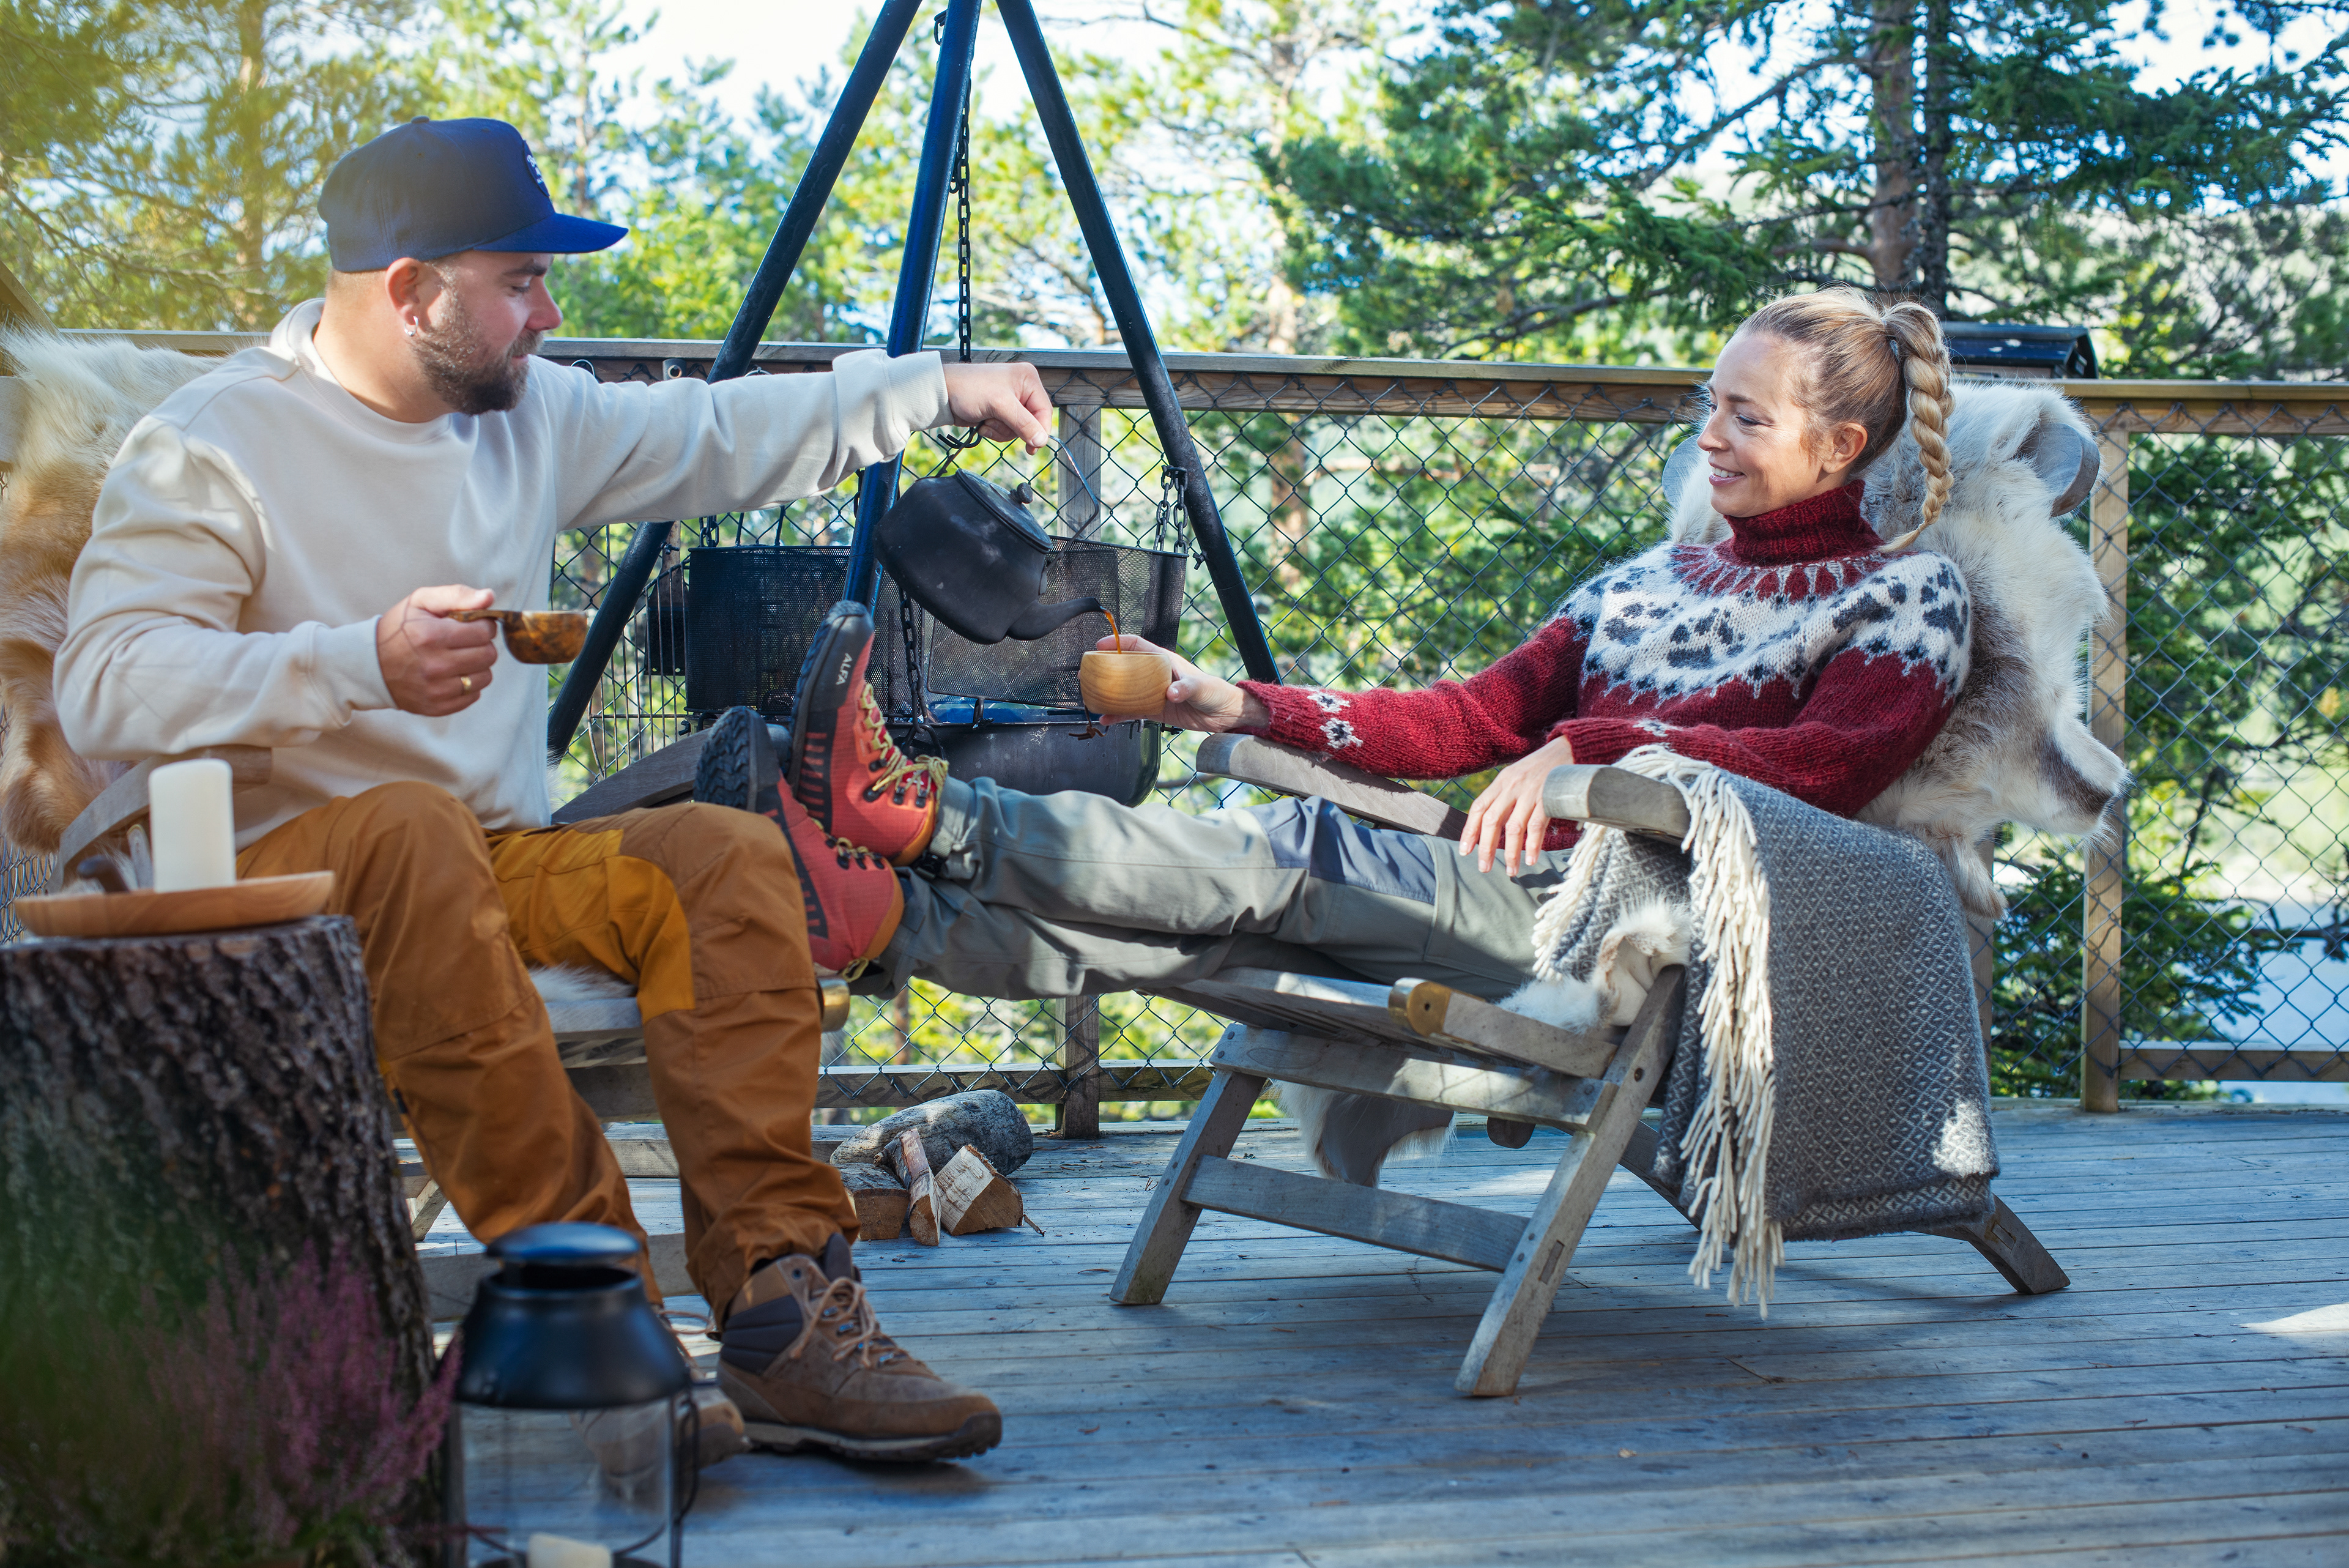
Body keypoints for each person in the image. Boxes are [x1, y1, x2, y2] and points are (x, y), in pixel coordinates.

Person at [54, 116, 1055, 1465]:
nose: (549, 313)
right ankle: (603, 1323)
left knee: (720, 857)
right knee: (414, 831)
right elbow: (105, 682)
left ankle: (786, 1318)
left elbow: (713, 430)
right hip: (276, 882)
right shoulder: (213, 442)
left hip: (484, 859)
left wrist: (934, 388)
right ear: (409, 289)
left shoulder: (526, 414)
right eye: (519, 280)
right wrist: (356, 663)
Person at [697, 287, 1970, 1167]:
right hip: (1502, 888)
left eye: (1749, 416)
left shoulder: (1908, 599)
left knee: (1302, 853)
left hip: (1610, 931)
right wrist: (1241, 702)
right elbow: (1468, 717)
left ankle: (927, 813)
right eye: (1713, 403)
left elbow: (1824, 769)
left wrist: (1590, 753)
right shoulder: (1647, 584)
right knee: (1212, 933)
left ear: (1840, 447)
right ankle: (881, 915)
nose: (1711, 436)